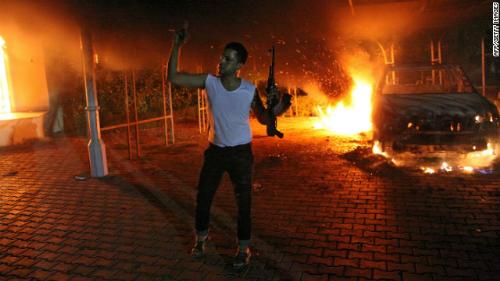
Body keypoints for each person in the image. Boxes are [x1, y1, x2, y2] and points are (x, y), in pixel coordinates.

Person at [167, 25, 291, 268]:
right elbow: (173, 77)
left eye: (228, 59)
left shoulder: (249, 90)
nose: (221, 61)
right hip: (215, 152)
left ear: (238, 66)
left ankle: (243, 249)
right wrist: (176, 46)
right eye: (222, 57)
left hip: (241, 154)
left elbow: (264, 119)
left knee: (244, 204)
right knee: (203, 199)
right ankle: (201, 240)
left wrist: (279, 106)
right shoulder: (209, 82)